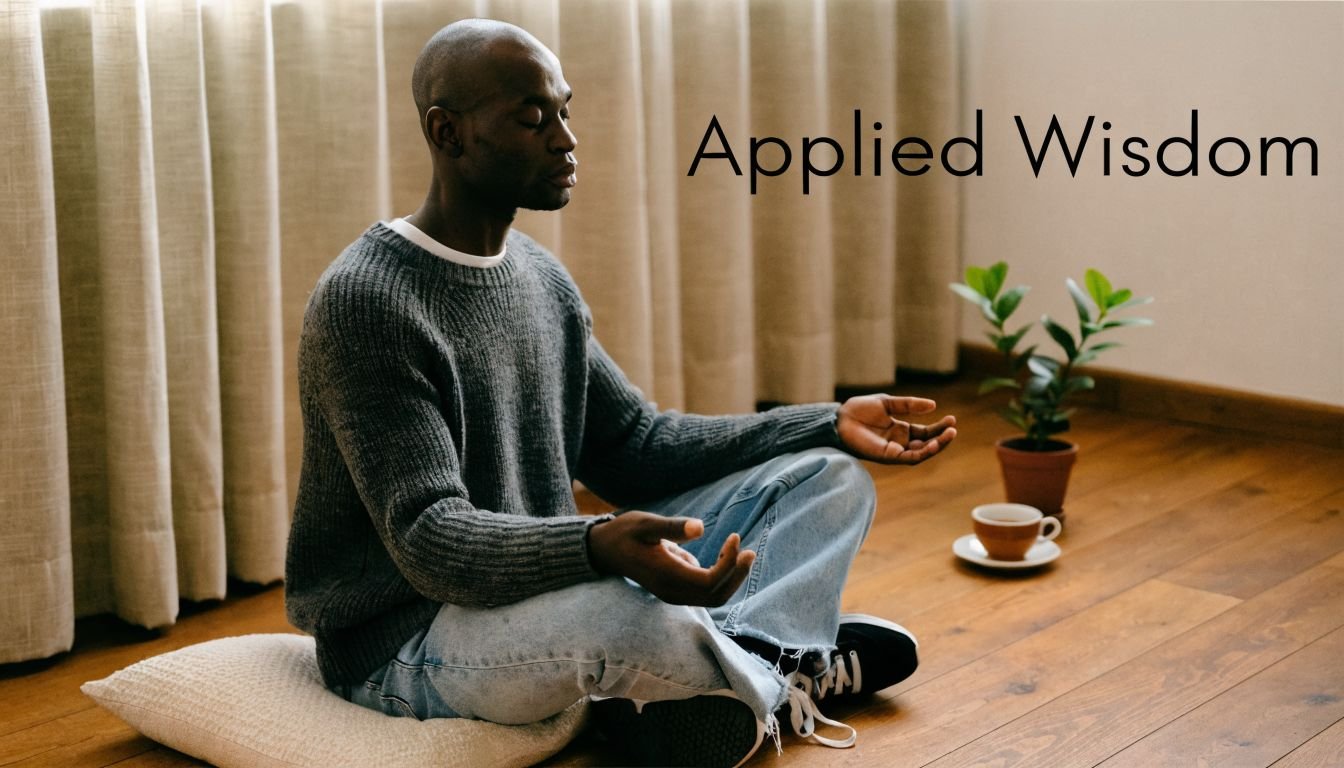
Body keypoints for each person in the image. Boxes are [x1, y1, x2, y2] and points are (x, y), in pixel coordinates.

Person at [285, 18, 957, 767]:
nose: (566, 140)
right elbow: (429, 539)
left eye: (565, 110)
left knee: (829, 478)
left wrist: (825, 422)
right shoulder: (367, 303)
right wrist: (597, 546)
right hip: (412, 637)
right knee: (622, 612)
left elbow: (635, 444)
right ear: (448, 133)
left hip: (533, 589)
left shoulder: (539, 279)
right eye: (532, 118)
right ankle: (779, 667)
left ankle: (742, 667)